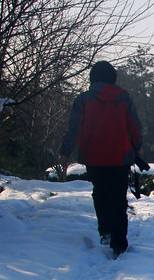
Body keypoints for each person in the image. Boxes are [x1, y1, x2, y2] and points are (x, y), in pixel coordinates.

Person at [59, 60, 146, 258]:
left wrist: (65, 151)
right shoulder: (124, 98)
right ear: (113, 78)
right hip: (120, 155)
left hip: (94, 155)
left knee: (100, 193)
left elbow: (75, 129)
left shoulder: (83, 99)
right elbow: (134, 125)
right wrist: (138, 146)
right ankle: (119, 243)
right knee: (118, 198)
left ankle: (105, 230)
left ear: (93, 78)